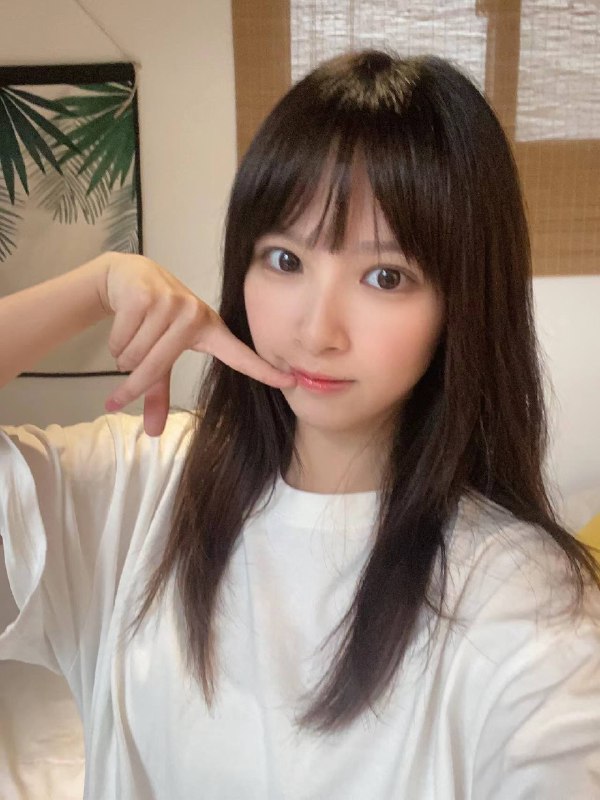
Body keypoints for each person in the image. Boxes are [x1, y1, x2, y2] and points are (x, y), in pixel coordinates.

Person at [0, 50, 599, 799]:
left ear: (463, 304)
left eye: (385, 276)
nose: (316, 331)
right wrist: (94, 286)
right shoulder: (140, 483)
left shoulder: (525, 601)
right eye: (284, 259)